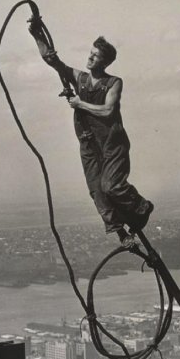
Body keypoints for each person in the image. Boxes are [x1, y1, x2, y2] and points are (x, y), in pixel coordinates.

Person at [28, 18, 153, 246]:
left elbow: (107, 110)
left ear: (104, 61)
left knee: (112, 186)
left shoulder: (113, 82)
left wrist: (80, 104)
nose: (90, 57)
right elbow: (52, 61)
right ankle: (122, 235)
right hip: (88, 144)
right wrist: (36, 34)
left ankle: (141, 207)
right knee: (98, 192)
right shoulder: (80, 79)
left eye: (96, 55)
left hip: (112, 144)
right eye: (91, 52)